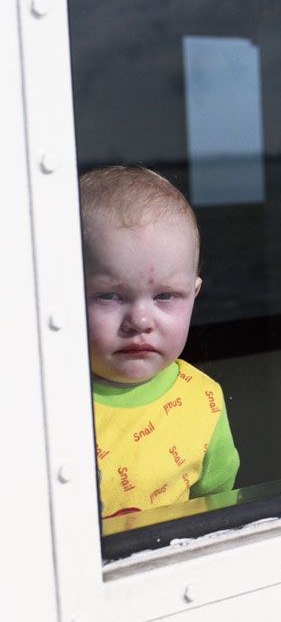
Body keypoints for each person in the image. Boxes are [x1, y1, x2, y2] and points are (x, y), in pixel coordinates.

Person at [80, 165, 239, 524]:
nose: (140, 320)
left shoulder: (204, 401)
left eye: (165, 296)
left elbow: (217, 514)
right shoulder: (40, 403)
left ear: (194, 295)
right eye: (109, 295)